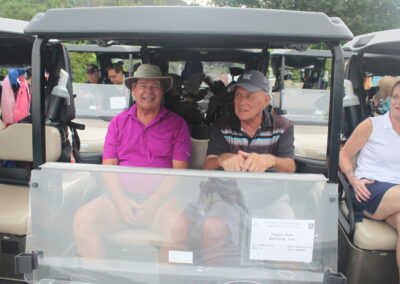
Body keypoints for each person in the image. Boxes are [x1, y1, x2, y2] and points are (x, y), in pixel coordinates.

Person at [73, 64, 192, 258]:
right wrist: (120, 201)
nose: (148, 91)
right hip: (120, 198)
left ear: (162, 92)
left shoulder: (177, 124)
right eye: (143, 85)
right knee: (84, 219)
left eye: (155, 86)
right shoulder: (118, 123)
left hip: (163, 201)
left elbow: (179, 171)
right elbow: (109, 167)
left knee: (179, 226)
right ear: (133, 90)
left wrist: (154, 203)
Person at [339, 80, 400, 272]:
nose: (398, 102)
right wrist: (354, 180)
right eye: (397, 97)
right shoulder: (372, 125)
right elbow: (343, 155)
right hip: (369, 189)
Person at [204, 70, 296, 173]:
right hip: (228, 188)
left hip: (266, 188)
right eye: (238, 95)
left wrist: (272, 160)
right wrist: (221, 159)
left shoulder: (283, 126)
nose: (241, 102)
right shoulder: (222, 126)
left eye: (250, 96)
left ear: (266, 101)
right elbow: (208, 166)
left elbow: (290, 168)